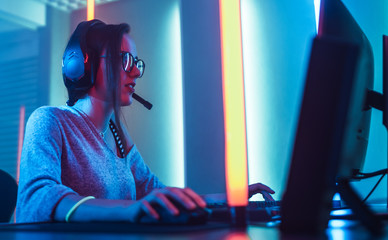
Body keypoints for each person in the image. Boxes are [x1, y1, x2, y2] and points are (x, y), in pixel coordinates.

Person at [16, 19, 274, 223]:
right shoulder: (50, 121)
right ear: (82, 65)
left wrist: (230, 199)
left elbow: (156, 194)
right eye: (125, 60)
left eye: (136, 62)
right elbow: (40, 197)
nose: (136, 71)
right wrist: (129, 210)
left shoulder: (118, 135)